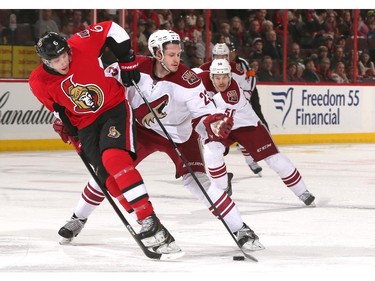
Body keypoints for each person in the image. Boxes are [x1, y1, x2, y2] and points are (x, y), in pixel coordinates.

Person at [54, 29, 265, 254]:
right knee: (106, 171)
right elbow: (94, 87)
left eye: (179, 54)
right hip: (141, 130)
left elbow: (204, 114)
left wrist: (213, 123)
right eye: (172, 54)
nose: (177, 59)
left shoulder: (188, 80)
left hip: (180, 136)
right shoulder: (130, 67)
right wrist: (62, 118)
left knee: (198, 183)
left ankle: (240, 229)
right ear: (157, 53)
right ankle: (78, 218)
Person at [28, 21, 183, 258]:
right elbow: (59, 110)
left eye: (64, 55)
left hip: (113, 108)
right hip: (85, 124)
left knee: (114, 158)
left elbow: (112, 28)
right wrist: (68, 129)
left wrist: (127, 59)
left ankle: (147, 218)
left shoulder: (80, 44)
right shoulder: (38, 82)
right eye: (56, 60)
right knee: (106, 178)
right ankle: (154, 227)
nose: (63, 62)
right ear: (45, 62)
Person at [198, 59, 316, 207]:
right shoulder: (202, 79)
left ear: (230, 77)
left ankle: (302, 191)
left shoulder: (231, 94)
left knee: (275, 160)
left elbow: (219, 120)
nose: (221, 82)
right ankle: (222, 191)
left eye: (225, 77)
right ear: (211, 77)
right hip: (223, 124)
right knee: (211, 152)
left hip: (247, 127)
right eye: (217, 77)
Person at [199, 43, 264, 177]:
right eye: (217, 55)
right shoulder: (204, 69)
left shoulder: (235, 69)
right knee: (212, 142)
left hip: (232, 108)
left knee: (241, 133)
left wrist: (243, 99)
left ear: (229, 56)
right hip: (214, 110)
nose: (220, 58)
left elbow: (246, 86)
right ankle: (215, 170)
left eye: (223, 56)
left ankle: (250, 160)